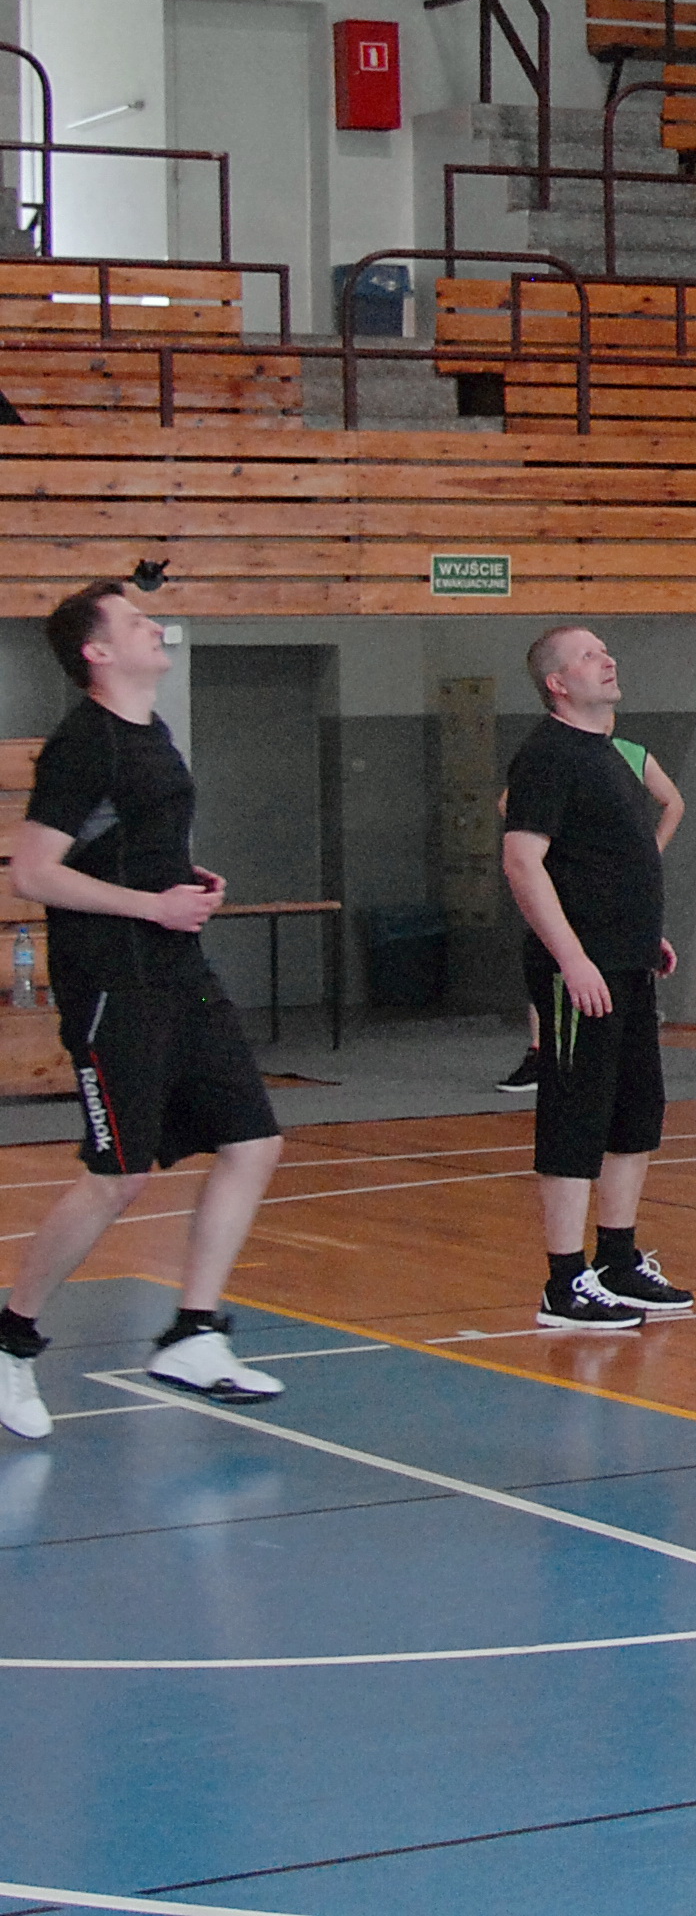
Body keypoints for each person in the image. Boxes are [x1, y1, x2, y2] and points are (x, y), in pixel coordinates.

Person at [0, 582, 290, 1440]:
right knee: (119, 1175)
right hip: (112, 985)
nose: (154, 626)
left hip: (179, 971)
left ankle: (193, 1334)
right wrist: (150, 905)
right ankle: (11, 1341)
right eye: (134, 621)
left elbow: (121, 845)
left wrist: (182, 881)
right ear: (96, 652)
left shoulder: (150, 732)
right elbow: (33, 872)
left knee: (253, 1142)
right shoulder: (82, 745)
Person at [503, 625, 692, 1333]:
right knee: (576, 1115)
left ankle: (617, 1260)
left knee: (635, 1114)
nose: (608, 660)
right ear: (557, 683)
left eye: (607, 651)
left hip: (628, 961)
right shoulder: (547, 755)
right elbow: (523, 863)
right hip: (579, 971)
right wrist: (573, 958)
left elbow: (607, 859)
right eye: (589, 655)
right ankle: (564, 1282)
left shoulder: (608, 753)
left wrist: (643, 935)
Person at [498, 735, 679, 1096]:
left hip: (622, 930)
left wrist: (650, 850)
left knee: (628, 1084)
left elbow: (674, 802)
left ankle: (584, 1067)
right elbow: (511, 812)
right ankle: (543, 1051)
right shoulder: (552, 756)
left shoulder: (628, 756)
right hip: (576, 915)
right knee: (562, 987)